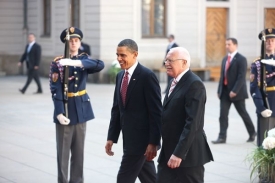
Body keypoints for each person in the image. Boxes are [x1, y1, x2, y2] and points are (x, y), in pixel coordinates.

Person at [49, 27, 104, 183]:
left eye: (76, 40)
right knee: (63, 153)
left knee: (79, 153)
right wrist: (59, 112)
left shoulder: (84, 60)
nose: (73, 43)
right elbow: (55, 88)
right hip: (65, 108)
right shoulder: (58, 63)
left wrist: (77, 62)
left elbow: (100, 65)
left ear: (80, 43)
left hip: (81, 109)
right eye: (70, 41)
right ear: (66, 43)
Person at [105, 39, 162, 183]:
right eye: (117, 55)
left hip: (141, 142)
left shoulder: (147, 76)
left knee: (123, 179)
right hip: (129, 139)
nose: (119, 58)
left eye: (123, 55)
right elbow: (117, 110)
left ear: (135, 54)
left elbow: (156, 112)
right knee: (150, 179)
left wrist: (153, 142)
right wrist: (111, 137)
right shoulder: (120, 76)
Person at [157, 47, 213, 183]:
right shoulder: (173, 82)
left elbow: (193, 123)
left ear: (184, 62)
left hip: (188, 156)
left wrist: (178, 153)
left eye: (171, 60)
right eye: (166, 60)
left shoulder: (195, 84)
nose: (167, 64)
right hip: (168, 152)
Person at [212, 38, 256, 144]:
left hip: (237, 93)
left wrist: (235, 90)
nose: (227, 46)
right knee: (223, 115)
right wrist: (219, 90)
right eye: (226, 44)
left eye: (229, 44)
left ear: (235, 45)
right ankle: (222, 137)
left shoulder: (241, 59)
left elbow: (241, 77)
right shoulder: (224, 59)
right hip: (225, 92)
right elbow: (222, 76)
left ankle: (252, 133)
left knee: (243, 113)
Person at [250, 28, 275, 147]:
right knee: (265, 141)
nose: (270, 43)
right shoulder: (257, 63)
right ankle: (264, 166)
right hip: (266, 103)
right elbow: (254, 87)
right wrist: (261, 108)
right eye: (267, 40)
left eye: (272, 40)